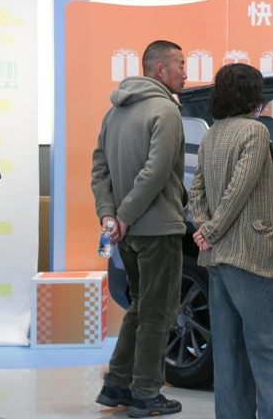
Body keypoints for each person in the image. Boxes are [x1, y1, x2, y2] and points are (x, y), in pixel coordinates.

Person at [189, 63, 273, 419]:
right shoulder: (255, 131)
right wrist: (211, 230)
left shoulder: (212, 134)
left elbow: (197, 191)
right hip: (251, 254)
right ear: (254, 95)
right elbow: (239, 189)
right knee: (271, 346)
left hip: (217, 257)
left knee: (228, 351)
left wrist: (204, 228)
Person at [90, 40, 188, 418]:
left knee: (139, 308)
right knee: (157, 312)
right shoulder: (166, 110)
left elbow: (99, 170)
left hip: (126, 233)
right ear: (160, 69)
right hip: (157, 228)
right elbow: (156, 172)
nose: (185, 72)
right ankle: (146, 392)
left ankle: (117, 382)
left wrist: (110, 216)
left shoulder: (113, 112)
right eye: (181, 64)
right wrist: (126, 215)